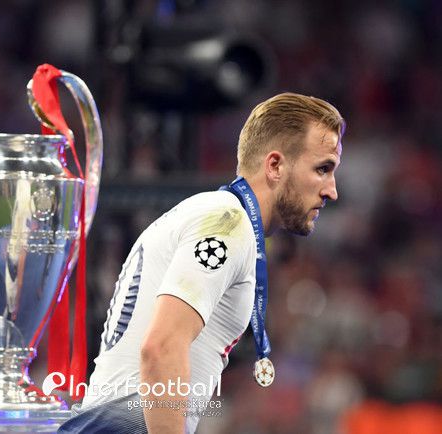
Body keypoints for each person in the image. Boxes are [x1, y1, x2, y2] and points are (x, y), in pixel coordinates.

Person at [58, 92, 345, 434]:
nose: (332, 190)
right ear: (275, 166)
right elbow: (162, 348)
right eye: (323, 169)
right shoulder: (227, 222)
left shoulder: (216, 215)